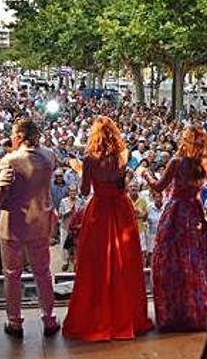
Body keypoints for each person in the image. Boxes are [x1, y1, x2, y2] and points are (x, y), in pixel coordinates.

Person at [63, 116, 152, 341]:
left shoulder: (89, 159)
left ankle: (98, 316)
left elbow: (84, 191)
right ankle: (127, 316)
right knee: (125, 261)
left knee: (97, 263)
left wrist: (79, 168)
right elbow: (121, 183)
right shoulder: (122, 157)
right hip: (121, 210)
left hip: (100, 212)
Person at [145, 125, 207, 332]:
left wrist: (145, 175)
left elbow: (158, 187)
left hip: (176, 215)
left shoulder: (176, 162)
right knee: (195, 262)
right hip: (195, 213)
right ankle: (196, 309)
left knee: (172, 264)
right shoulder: (206, 164)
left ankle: (175, 312)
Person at [0, 119, 61, 340]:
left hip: (14, 224)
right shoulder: (50, 155)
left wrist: (4, 204)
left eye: (13, 134)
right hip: (41, 221)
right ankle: (49, 319)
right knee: (43, 273)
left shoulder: (11, 160)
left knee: (12, 274)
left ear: (19, 136)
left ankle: (15, 322)